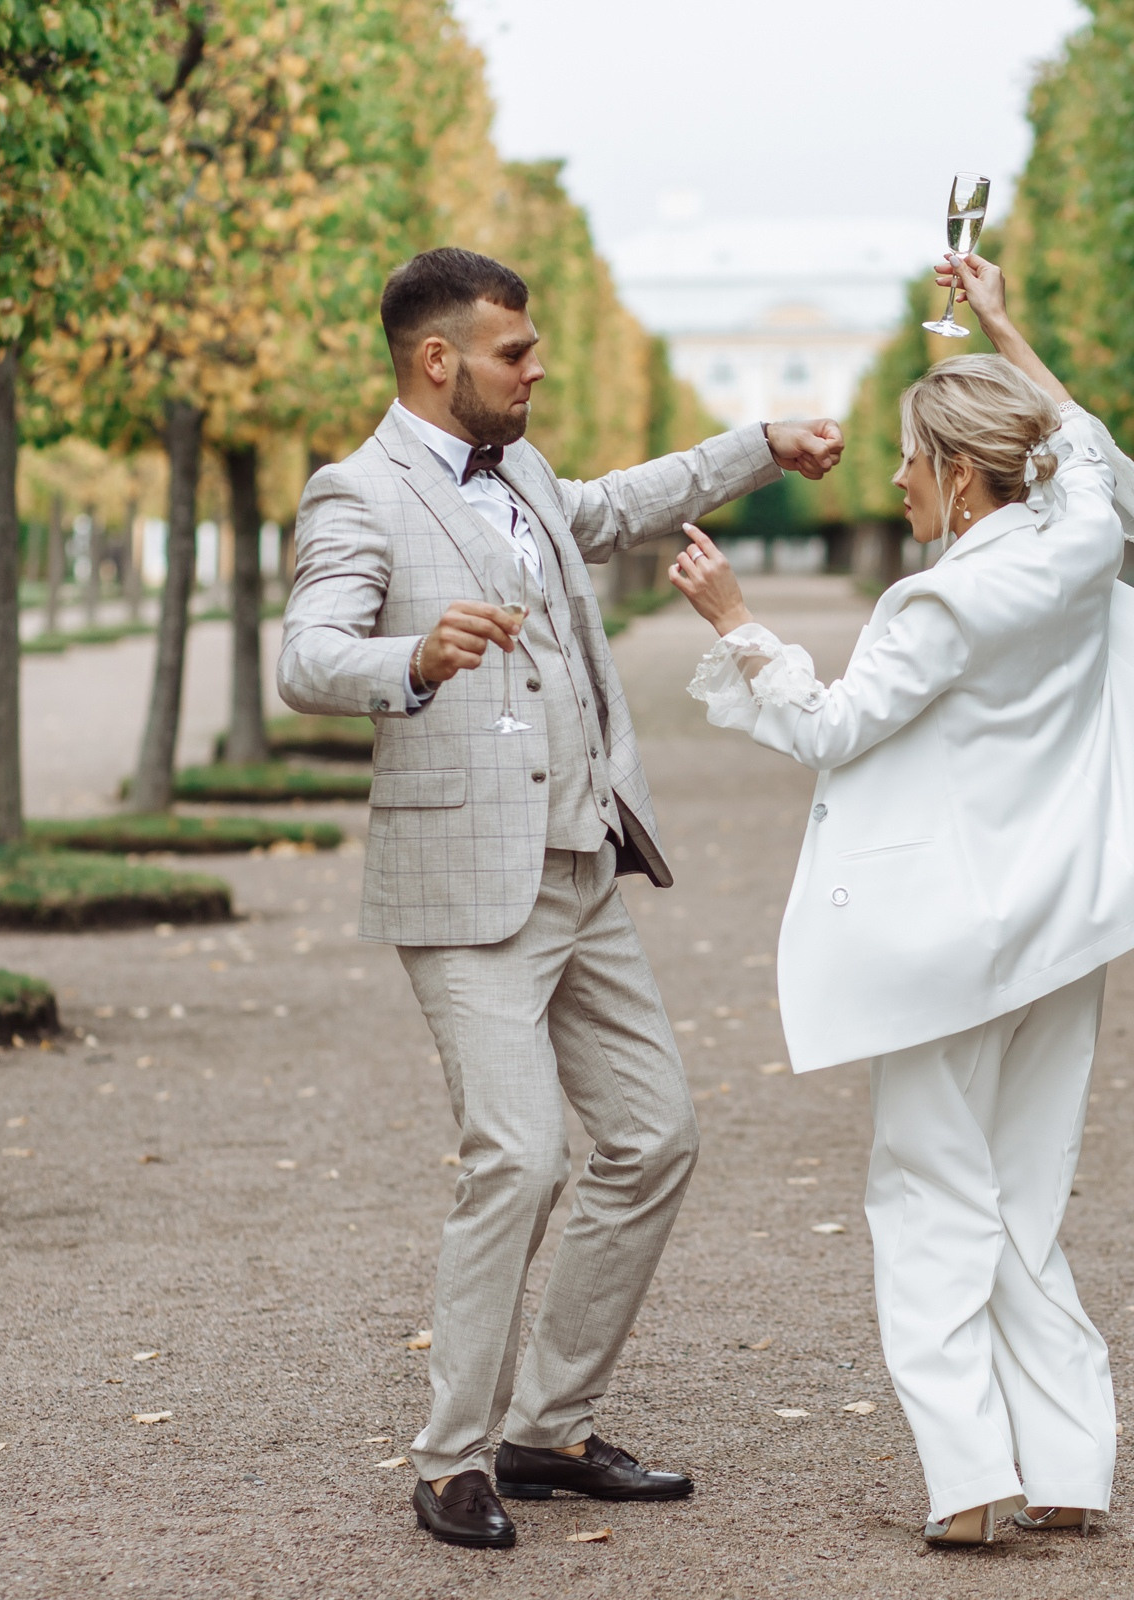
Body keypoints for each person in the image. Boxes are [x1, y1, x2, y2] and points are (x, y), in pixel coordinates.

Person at [668, 252, 1134, 1547]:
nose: (898, 480)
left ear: (960, 476)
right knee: (1026, 1194)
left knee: (925, 1196)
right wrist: (1004, 322)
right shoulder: (1075, 547)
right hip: (1063, 929)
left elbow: (832, 729)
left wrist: (737, 619)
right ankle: (1069, 1462)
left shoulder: (937, 602)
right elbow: (1091, 455)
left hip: (944, 944)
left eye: (912, 459)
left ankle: (967, 1478)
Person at [275, 246, 845, 1551]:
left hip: (581, 870)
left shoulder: (524, 470)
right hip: (467, 891)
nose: (538, 369)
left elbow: (622, 503)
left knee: (654, 1137)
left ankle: (548, 1429)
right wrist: (410, 655)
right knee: (522, 1155)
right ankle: (453, 1458)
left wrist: (760, 441)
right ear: (440, 361)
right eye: (515, 353)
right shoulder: (356, 494)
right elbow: (305, 656)